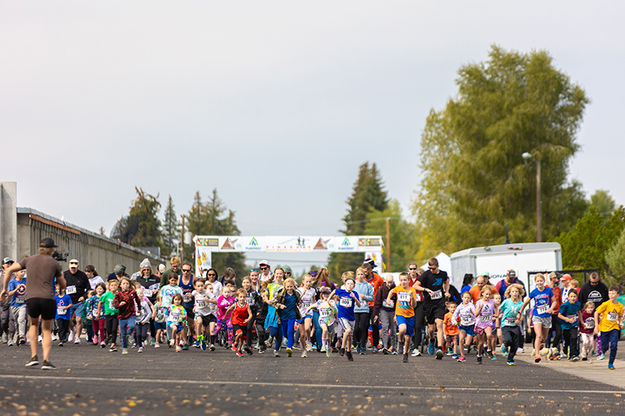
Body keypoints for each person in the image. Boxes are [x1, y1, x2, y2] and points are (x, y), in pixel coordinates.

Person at [1, 237, 65, 369]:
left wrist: (4, 289)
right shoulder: (54, 263)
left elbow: (8, 271)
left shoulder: (28, 260)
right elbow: (62, 282)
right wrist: (62, 288)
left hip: (32, 298)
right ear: (51, 249)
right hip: (48, 298)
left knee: (33, 325)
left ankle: (34, 356)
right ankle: (46, 360)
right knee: (46, 329)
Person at [415, 257, 450, 359]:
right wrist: (426, 289)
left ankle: (439, 349)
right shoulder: (426, 274)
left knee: (439, 324)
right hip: (429, 304)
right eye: (430, 268)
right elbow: (415, 286)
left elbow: (446, 280)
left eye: (433, 268)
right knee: (431, 329)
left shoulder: (443, 274)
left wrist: (446, 291)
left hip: (439, 303)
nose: (431, 270)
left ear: (437, 266)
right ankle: (431, 340)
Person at [520, 273, 555, 363]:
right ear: (535, 282)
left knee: (544, 337)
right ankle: (537, 354)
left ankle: (542, 342)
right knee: (538, 336)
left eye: (541, 281)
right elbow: (526, 302)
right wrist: (520, 311)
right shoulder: (534, 292)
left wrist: (551, 308)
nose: (539, 282)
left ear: (544, 281)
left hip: (547, 316)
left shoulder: (548, 290)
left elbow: (554, 302)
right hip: (537, 316)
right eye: (538, 281)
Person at [387, 272, 418, 363]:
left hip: (410, 315)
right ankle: (400, 341)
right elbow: (391, 291)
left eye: (405, 280)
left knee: (408, 338)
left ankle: (405, 354)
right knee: (402, 328)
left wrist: (412, 297)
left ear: (409, 280)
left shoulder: (412, 290)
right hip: (400, 314)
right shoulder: (398, 288)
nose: (403, 282)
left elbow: (414, 305)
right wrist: (388, 298)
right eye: (401, 280)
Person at [594, 287, 624, 370]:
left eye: (613, 293)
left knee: (614, 346)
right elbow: (596, 313)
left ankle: (611, 363)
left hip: (614, 328)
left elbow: (620, 316)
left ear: (617, 295)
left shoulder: (620, 306)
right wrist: (596, 326)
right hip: (604, 328)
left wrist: (621, 323)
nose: (611, 295)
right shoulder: (605, 304)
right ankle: (601, 351)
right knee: (605, 346)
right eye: (610, 293)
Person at [333, 274, 361, 361]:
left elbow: (359, 305)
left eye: (351, 284)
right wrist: (328, 300)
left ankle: (349, 351)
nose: (350, 285)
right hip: (342, 316)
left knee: (350, 336)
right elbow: (334, 291)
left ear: (354, 286)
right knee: (347, 330)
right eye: (348, 284)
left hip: (351, 317)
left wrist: (354, 298)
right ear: (345, 285)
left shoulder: (355, 293)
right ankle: (342, 348)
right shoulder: (341, 291)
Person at [63, 258, 90, 344]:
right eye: (71, 267)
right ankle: (72, 330)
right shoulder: (64, 274)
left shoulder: (82, 275)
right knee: (68, 320)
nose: (73, 269)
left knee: (79, 319)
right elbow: (59, 286)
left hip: (79, 301)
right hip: (68, 301)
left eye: (74, 268)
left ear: (77, 267)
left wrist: (84, 296)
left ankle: (77, 337)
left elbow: (88, 288)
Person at [273, 277, 302, 358]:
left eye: (291, 286)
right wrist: (280, 305)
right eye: (287, 287)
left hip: (292, 315)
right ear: (285, 286)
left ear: (293, 286)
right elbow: (274, 302)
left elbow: (299, 301)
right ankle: (286, 340)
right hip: (282, 316)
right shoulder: (281, 294)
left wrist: (299, 304)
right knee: (284, 332)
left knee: (290, 331)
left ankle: (289, 348)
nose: (289, 288)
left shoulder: (296, 294)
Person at [306, 286, 338, 357]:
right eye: (324, 294)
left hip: (330, 321)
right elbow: (313, 305)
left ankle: (328, 347)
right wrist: (307, 309)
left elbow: (336, 310)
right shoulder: (320, 302)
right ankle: (323, 345)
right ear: (322, 295)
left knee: (329, 337)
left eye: (327, 294)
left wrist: (332, 306)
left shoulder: (332, 302)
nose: (326, 295)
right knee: (324, 329)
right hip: (322, 319)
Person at [498, 284, 525, 366]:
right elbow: (499, 308)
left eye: (516, 291)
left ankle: (510, 359)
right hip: (505, 324)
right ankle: (505, 345)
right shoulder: (506, 302)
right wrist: (498, 315)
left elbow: (522, 314)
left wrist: (519, 319)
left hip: (515, 325)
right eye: (513, 291)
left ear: (519, 293)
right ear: (510, 293)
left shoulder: (521, 304)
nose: (514, 293)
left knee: (515, 344)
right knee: (508, 340)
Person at [362, 260, 384, 353]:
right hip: (363, 306)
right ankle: (362, 345)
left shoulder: (378, 278)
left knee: (375, 325)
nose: (364, 273)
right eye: (363, 271)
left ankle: (375, 345)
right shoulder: (361, 278)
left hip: (374, 306)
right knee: (364, 325)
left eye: (366, 271)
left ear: (371, 270)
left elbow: (383, 288)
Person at [373, 274, 397, 355]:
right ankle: (385, 346)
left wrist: (397, 314)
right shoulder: (381, 289)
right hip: (384, 310)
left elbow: (398, 301)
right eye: (388, 282)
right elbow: (377, 301)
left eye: (391, 282)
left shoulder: (395, 289)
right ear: (385, 281)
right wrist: (376, 313)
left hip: (393, 311)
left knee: (393, 329)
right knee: (385, 327)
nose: (389, 284)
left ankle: (394, 347)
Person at [474, 286, 498, 364]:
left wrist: (496, 314)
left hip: (488, 323)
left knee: (489, 335)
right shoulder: (479, 302)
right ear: (482, 293)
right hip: (480, 324)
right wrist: (480, 309)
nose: (488, 296)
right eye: (486, 294)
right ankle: (479, 355)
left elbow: (496, 307)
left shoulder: (492, 302)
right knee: (480, 343)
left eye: (489, 294)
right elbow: (476, 314)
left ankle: (488, 349)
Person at [353, 267, 374, 355]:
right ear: (356, 275)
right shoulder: (353, 285)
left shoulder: (368, 285)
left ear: (364, 275)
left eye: (362, 274)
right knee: (356, 328)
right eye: (358, 274)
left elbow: (371, 298)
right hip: (355, 309)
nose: (360, 276)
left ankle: (362, 345)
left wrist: (364, 297)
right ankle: (357, 342)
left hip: (365, 309)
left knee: (363, 327)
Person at [452, 291, 476, 363]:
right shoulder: (460, 306)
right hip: (463, 325)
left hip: (470, 325)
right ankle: (462, 356)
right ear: (462, 298)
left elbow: (475, 313)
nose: (466, 299)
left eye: (468, 298)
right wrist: (454, 321)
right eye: (465, 298)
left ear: (470, 299)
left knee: (467, 343)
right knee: (461, 340)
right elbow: (454, 315)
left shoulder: (471, 306)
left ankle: (467, 345)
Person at [227, 288, 252, 357]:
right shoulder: (235, 305)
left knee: (242, 339)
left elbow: (250, 314)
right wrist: (224, 317)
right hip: (235, 322)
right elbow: (228, 310)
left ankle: (239, 351)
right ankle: (235, 342)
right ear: (237, 297)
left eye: (244, 297)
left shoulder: (247, 305)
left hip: (243, 322)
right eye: (240, 297)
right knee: (240, 333)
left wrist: (248, 319)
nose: (242, 298)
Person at [558, 289, 581, 360]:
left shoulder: (577, 304)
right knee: (567, 340)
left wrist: (582, 322)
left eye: (574, 296)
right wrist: (567, 319)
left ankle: (573, 355)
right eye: (571, 296)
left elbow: (579, 312)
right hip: (565, 325)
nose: (573, 298)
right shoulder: (564, 305)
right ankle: (565, 349)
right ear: (568, 297)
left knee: (574, 338)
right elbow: (559, 315)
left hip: (574, 323)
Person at [297, 274, 316, 357]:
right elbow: (297, 300)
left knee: (307, 328)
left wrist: (316, 306)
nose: (308, 283)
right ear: (303, 281)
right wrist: (302, 294)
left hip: (309, 311)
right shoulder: (299, 290)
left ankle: (308, 340)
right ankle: (304, 350)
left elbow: (314, 300)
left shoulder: (313, 290)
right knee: (301, 335)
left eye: (310, 282)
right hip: (300, 313)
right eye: (307, 281)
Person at [7, 268, 27, 345]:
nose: (23, 273)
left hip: (23, 304)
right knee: (16, 322)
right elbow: (9, 293)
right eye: (21, 272)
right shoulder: (12, 282)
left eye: (24, 272)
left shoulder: (26, 280)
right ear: (16, 273)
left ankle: (22, 336)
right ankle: (19, 334)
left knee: (21, 319)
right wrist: (16, 289)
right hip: (14, 305)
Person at [99, 279, 119, 351]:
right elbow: (100, 302)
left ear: (118, 286)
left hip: (116, 314)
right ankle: (109, 336)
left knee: (114, 329)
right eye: (112, 285)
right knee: (108, 328)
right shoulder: (106, 295)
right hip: (108, 314)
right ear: (109, 287)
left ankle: (113, 343)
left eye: (115, 285)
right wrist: (99, 313)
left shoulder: (118, 294)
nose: (113, 287)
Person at [546, 272, 563, 359]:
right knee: (548, 334)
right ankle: (547, 351)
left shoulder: (558, 289)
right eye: (558, 278)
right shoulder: (546, 288)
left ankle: (554, 348)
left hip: (557, 314)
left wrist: (561, 311)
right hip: (548, 314)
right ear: (553, 279)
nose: (559, 280)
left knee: (559, 332)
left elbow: (559, 301)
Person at [135, 286, 155, 352]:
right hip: (137, 321)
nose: (140, 295)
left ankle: (145, 337)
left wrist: (145, 320)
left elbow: (149, 313)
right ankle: (140, 346)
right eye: (138, 294)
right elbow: (132, 312)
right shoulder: (134, 304)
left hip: (145, 321)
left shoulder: (145, 303)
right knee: (138, 334)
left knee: (143, 334)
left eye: (141, 293)